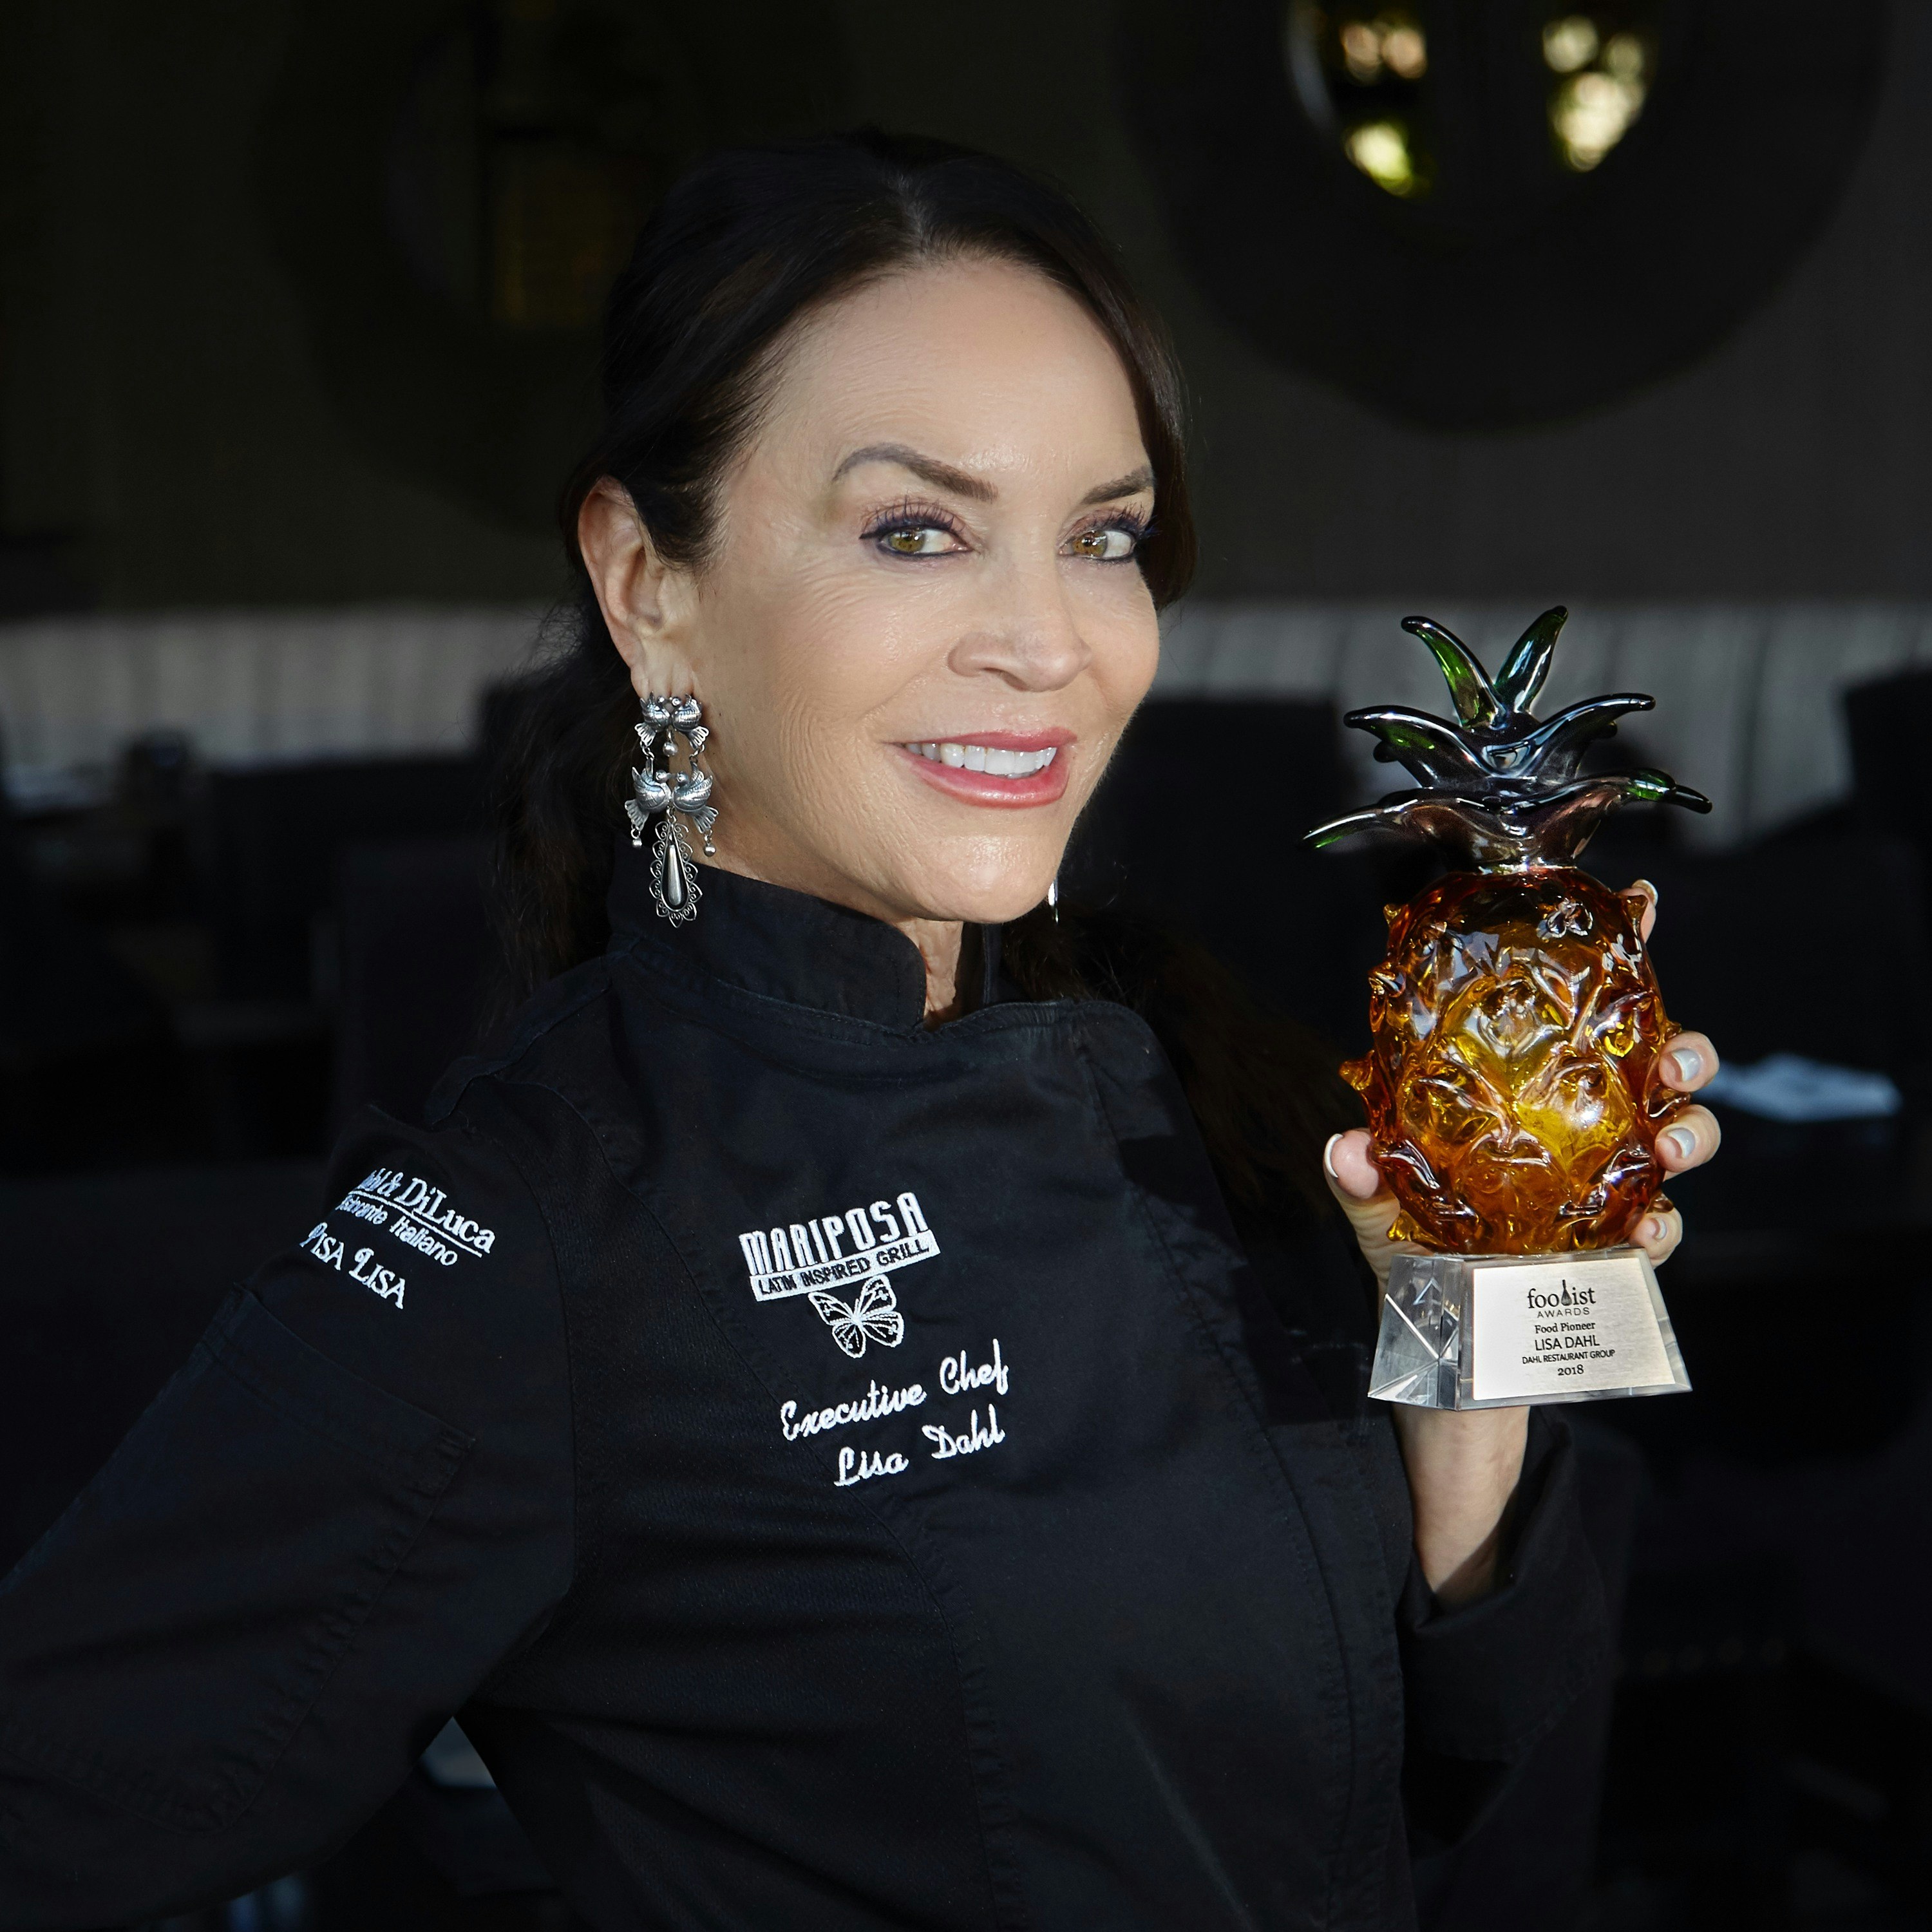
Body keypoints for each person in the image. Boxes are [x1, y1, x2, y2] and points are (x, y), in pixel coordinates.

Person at [0, 131, 1719, 1931]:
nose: (1047, 642)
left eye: (1105, 538)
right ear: (648, 585)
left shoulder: (1198, 1098)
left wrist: (1466, 1358)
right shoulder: (541, 1229)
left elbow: (1413, 1791)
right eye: (918, 532)